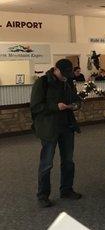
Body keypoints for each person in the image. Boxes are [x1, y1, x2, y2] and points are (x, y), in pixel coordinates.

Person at [30, 59, 83, 208]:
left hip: (67, 127)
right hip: (49, 129)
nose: (66, 77)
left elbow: (76, 98)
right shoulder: (42, 82)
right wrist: (55, 106)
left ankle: (66, 190)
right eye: (63, 74)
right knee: (46, 164)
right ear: (55, 69)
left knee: (68, 161)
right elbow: (35, 106)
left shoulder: (68, 81)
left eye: (68, 74)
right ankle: (42, 195)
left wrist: (76, 105)